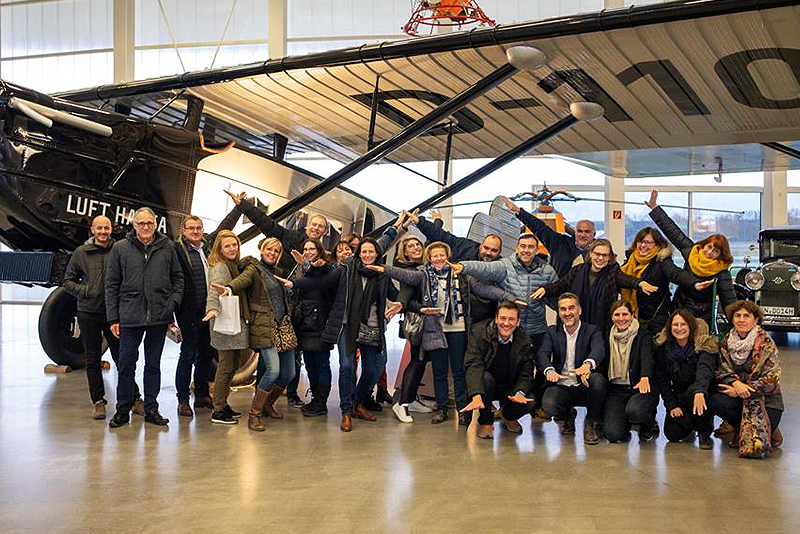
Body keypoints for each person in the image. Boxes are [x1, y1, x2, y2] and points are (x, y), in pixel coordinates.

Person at [369, 241, 520, 425]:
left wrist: (511, 298)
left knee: (458, 371)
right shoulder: (423, 275)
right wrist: (384, 269)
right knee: (439, 371)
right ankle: (442, 409)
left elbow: (486, 290)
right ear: (430, 259)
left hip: (458, 329)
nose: (439, 258)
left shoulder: (462, 275)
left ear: (447, 256)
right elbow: (405, 275)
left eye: (442, 255)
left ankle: (462, 409)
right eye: (435, 256)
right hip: (435, 329)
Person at [288, 231, 401, 433]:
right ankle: (346, 412)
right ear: (358, 253)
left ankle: (358, 402)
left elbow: (397, 294)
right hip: (347, 326)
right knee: (346, 367)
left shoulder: (382, 273)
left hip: (372, 327)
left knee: (373, 369)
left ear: (377, 253)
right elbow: (322, 283)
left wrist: (408, 304)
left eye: (371, 251)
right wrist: (294, 282)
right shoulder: (347, 268)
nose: (367, 255)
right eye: (363, 251)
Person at [106, 207, 184, 428]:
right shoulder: (120, 248)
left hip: (159, 317)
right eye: (141, 223)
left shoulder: (167, 247)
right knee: (126, 364)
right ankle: (123, 409)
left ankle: (151, 408)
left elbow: (178, 278)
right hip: (129, 317)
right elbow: (111, 285)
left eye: (149, 223)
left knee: (153, 365)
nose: (146, 227)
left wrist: (172, 303)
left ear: (156, 223)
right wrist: (113, 318)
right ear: (134, 225)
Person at [63, 215, 143, 420]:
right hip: (88, 312)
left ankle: (135, 398)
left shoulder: (120, 250)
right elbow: (68, 281)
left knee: (122, 357)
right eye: (99, 228)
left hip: (113, 313)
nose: (103, 232)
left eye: (106, 228)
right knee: (92, 358)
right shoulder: (81, 253)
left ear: (111, 229)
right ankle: (98, 401)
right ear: (92, 230)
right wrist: (87, 291)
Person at [212, 237, 296, 432]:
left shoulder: (277, 273)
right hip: (263, 326)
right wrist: (229, 288)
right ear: (262, 250)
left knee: (289, 373)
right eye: (269, 249)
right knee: (273, 370)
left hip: (283, 327)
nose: (272, 253)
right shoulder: (254, 268)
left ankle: (267, 404)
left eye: (276, 251)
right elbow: (243, 280)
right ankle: (254, 414)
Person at [174, 201, 242, 418]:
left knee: (205, 354)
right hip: (190, 312)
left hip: (212, 312)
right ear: (183, 231)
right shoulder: (177, 250)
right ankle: (183, 399)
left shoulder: (208, 246)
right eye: (191, 228)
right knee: (187, 354)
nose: (195, 231)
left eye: (199, 228)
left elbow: (225, 227)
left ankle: (202, 394)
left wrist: (238, 208)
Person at [645, 190, 736, 328]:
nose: (710, 252)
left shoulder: (722, 273)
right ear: (704, 244)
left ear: (721, 255)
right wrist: (655, 208)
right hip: (678, 310)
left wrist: (740, 324)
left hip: (701, 320)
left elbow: (729, 302)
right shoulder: (691, 252)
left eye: (716, 251)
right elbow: (673, 231)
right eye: (709, 246)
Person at [532, 239, 658, 334]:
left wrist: (640, 283)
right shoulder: (577, 270)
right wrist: (545, 289)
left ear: (609, 257)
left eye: (604, 255)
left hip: (601, 328)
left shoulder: (613, 273)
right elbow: (561, 285)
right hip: (576, 325)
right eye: (597, 254)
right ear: (591, 254)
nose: (600, 258)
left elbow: (626, 279)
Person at [708, 300, 784, 456]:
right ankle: (740, 428)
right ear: (732, 319)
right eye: (737, 316)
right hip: (738, 394)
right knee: (716, 401)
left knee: (758, 446)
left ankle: (771, 429)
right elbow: (722, 370)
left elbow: (772, 378)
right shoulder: (726, 341)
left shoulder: (766, 342)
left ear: (755, 320)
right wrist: (736, 384)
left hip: (766, 400)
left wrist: (744, 390)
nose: (741, 320)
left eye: (746, 316)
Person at [537, 293, 607, 445]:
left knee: (598, 381)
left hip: (584, 385)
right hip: (561, 384)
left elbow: (599, 350)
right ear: (559, 312)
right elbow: (542, 354)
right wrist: (549, 370)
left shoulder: (592, 330)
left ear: (579, 310)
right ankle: (567, 415)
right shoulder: (552, 332)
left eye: (571, 308)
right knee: (549, 405)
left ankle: (590, 422)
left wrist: (587, 365)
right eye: (563, 309)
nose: (567, 313)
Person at [461, 302, 536, 439]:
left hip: (509, 386)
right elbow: (473, 364)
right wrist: (476, 394)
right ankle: (486, 422)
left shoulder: (525, 341)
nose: (506, 323)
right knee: (486, 379)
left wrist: (520, 392)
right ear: (496, 319)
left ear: (518, 322)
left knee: (530, 401)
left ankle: (507, 415)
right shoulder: (479, 333)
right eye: (503, 318)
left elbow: (527, 373)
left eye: (511, 319)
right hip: (486, 384)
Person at [620, 227, 708, 335]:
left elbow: (675, 273)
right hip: (633, 318)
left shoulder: (662, 261)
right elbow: (620, 278)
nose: (643, 246)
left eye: (648, 242)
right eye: (640, 241)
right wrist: (639, 284)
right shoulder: (630, 260)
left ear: (658, 244)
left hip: (656, 319)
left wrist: (694, 283)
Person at [202, 230, 250, 424]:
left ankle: (223, 403)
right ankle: (218, 410)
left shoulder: (233, 265)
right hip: (224, 324)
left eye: (234, 245)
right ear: (219, 249)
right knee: (226, 366)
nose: (232, 249)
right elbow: (214, 292)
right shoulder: (221, 267)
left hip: (233, 324)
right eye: (227, 246)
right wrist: (212, 309)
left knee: (231, 366)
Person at [653, 309, 717, 450]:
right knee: (672, 434)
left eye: (683, 324)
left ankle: (704, 431)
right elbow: (662, 379)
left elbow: (704, 370)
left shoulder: (704, 344)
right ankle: (694, 424)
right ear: (670, 328)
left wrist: (700, 391)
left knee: (695, 394)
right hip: (679, 396)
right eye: (675, 325)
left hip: (701, 392)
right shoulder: (664, 349)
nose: (679, 328)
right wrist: (671, 405)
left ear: (690, 326)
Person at [287, 238, 336, 417]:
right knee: (309, 364)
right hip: (304, 323)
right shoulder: (300, 269)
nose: (308, 251)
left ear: (319, 250)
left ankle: (320, 402)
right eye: (306, 248)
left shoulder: (323, 267)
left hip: (320, 323)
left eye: (312, 248)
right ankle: (316, 398)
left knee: (322, 364)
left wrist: (308, 265)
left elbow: (322, 278)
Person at [602, 300, 658, 443]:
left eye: (625, 314)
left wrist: (645, 376)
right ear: (611, 316)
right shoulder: (607, 335)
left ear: (632, 315)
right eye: (617, 314)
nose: (621, 318)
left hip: (639, 387)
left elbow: (647, 357)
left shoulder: (642, 335)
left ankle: (647, 423)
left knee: (635, 411)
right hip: (617, 390)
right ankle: (624, 423)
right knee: (613, 435)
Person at [500, 196, 595, 277]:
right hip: (559, 294)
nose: (583, 235)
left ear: (594, 234)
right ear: (575, 231)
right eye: (579, 231)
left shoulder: (599, 250)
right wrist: (518, 211)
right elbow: (540, 228)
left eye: (587, 232)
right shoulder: (560, 243)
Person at [231, 192, 330, 271]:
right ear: (308, 226)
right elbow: (267, 223)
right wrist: (243, 205)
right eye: (314, 224)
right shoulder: (292, 236)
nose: (316, 228)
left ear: (325, 231)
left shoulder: (323, 257)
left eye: (320, 226)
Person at [390, 235, 430, 423]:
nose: (415, 248)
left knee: (421, 361)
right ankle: (402, 403)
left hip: (428, 322)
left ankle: (411, 399)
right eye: (410, 246)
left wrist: (436, 222)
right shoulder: (408, 270)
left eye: (417, 245)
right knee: (417, 360)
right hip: (418, 322)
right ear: (404, 252)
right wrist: (405, 304)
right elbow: (406, 295)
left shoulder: (424, 267)